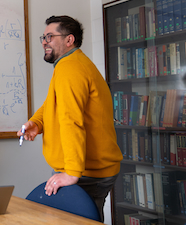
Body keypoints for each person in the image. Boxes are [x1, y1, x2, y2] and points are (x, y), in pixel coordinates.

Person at [18, 15, 122, 222]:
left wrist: (72, 173)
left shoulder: (70, 68)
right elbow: (51, 105)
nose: (44, 42)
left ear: (69, 40)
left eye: (50, 36)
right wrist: (37, 123)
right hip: (83, 170)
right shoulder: (69, 65)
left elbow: (71, 121)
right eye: (43, 37)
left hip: (86, 172)